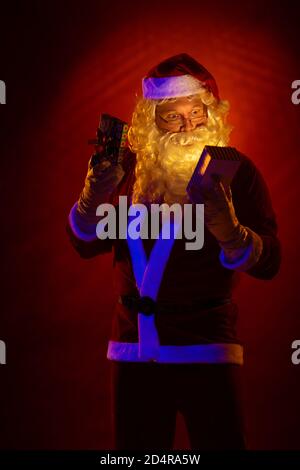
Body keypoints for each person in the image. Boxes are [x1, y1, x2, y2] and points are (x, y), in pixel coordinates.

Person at [66, 53, 281, 450]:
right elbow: (84, 243)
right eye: (171, 116)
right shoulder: (123, 170)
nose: (186, 126)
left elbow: (272, 263)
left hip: (209, 351)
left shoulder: (239, 173)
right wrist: (91, 197)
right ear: (151, 121)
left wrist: (232, 234)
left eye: (196, 112)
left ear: (211, 113)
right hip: (133, 355)